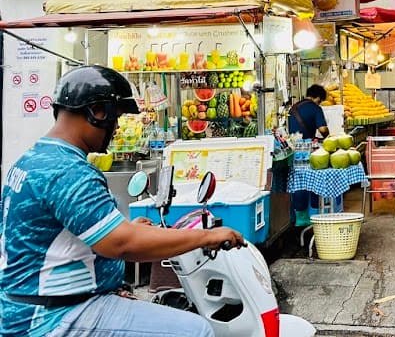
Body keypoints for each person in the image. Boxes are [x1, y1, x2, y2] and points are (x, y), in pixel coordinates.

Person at [0, 65, 243, 337]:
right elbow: (122, 244)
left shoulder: (33, 159)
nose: (116, 128)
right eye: (115, 118)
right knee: (196, 331)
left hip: (27, 308)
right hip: (54, 315)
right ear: (97, 112)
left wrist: (125, 227)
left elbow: (53, 239)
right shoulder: (69, 171)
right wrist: (205, 237)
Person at [288, 84, 330, 226]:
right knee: (313, 181)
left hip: (294, 148)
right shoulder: (315, 108)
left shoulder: (294, 107)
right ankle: (315, 215)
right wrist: (327, 135)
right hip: (307, 149)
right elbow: (323, 129)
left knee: (299, 182)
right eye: (320, 100)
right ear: (318, 97)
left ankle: (300, 217)